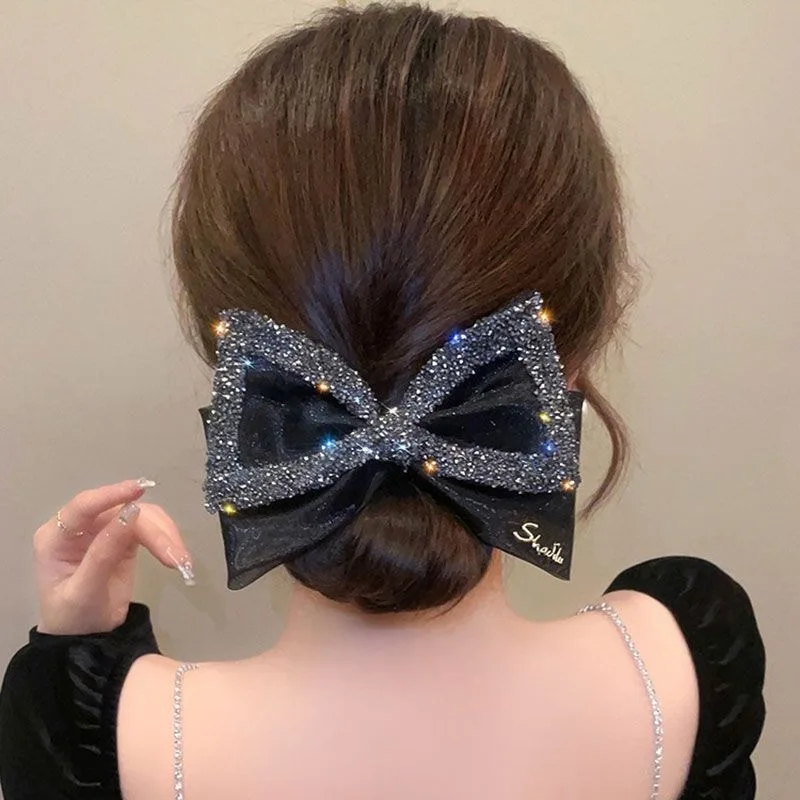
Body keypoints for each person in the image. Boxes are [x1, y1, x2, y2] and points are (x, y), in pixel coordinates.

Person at [0, 4, 765, 799]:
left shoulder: (115, 741)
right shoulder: (682, 662)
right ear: (564, 364)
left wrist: (69, 674)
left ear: (244, 377)